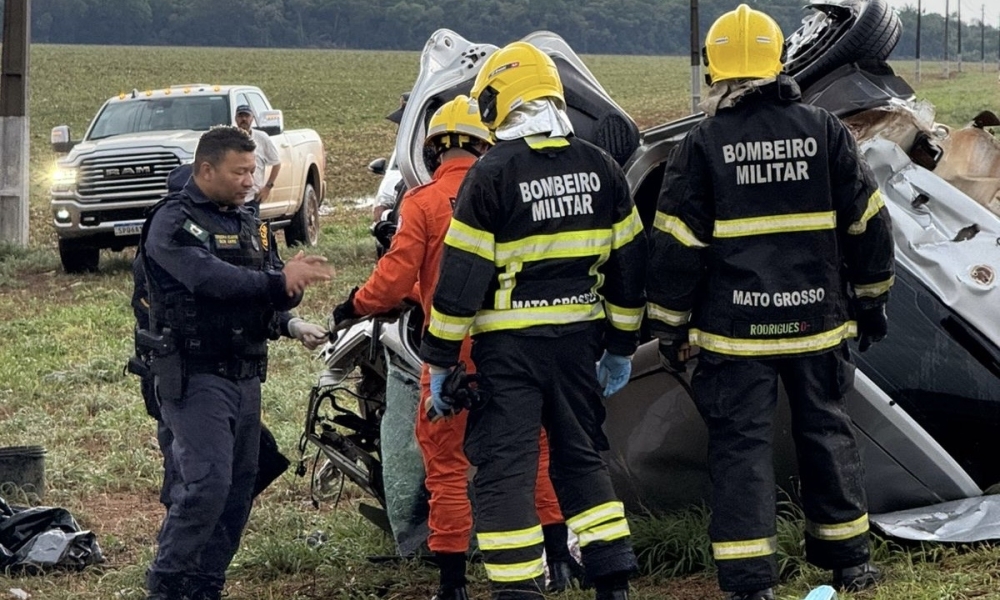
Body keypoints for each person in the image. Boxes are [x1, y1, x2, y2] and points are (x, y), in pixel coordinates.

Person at [646, 6, 895, 600]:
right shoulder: (824, 130)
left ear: (717, 72)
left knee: (741, 454)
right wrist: (872, 302)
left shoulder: (702, 144)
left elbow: (676, 246)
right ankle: (850, 566)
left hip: (736, 338)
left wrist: (670, 326)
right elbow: (868, 224)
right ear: (777, 63)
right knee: (828, 438)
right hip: (818, 327)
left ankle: (751, 584)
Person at [331, 95, 583, 599]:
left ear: (433, 151)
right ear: (484, 144)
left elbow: (396, 278)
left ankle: (451, 585)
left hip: (448, 354)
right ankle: (559, 559)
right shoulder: (511, 191)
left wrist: (353, 306)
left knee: (445, 467)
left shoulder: (421, 202)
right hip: (515, 350)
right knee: (535, 451)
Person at [418, 43, 646, 600]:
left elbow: (461, 281)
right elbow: (630, 267)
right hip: (578, 347)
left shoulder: (491, 173)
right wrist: (619, 345)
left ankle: (519, 590)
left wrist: (442, 360)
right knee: (581, 457)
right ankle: (612, 582)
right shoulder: (603, 168)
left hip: (509, 353)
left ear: (498, 101)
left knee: (506, 469)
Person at [139, 126, 331, 600]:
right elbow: (209, 279)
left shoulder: (250, 222)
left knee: (238, 487)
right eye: (240, 171)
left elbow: (266, 285)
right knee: (207, 483)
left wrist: (290, 323)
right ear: (206, 170)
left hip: (245, 374)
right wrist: (275, 283)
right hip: (194, 374)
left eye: (253, 170)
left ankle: (206, 585)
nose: (250, 180)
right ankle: (167, 585)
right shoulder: (171, 222)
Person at [129, 163, 325, 511]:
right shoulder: (168, 241)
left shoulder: (248, 229)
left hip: (236, 372)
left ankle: (203, 555)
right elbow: (215, 287)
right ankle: (176, 550)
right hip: (185, 370)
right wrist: (276, 284)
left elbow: (259, 293)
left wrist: (291, 322)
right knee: (193, 477)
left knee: (236, 475)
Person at [235, 104, 282, 216]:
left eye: (247, 116)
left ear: (252, 118)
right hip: (232, 198)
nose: (244, 119)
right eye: (240, 116)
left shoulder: (262, 138)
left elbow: (276, 163)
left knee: (254, 231)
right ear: (236, 119)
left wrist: (267, 187)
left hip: (253, 198)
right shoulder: (229, 139)